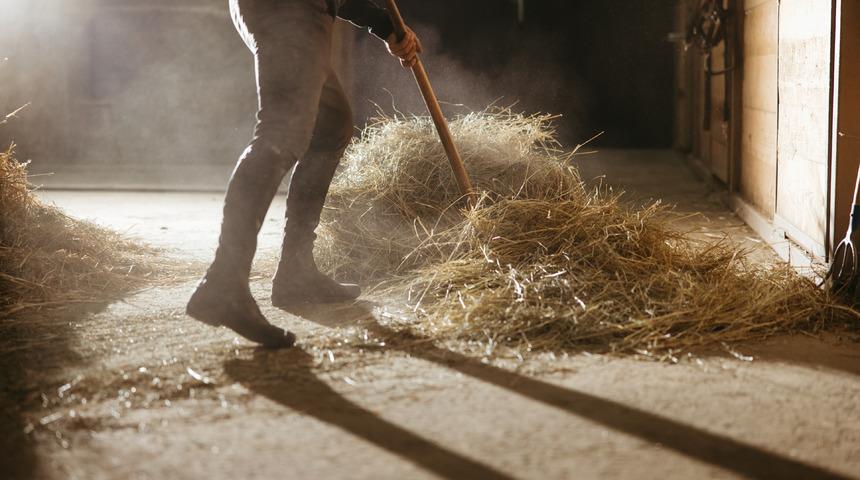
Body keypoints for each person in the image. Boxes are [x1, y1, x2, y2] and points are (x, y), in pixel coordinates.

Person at [186, 0, 422, 348]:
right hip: (288, 9)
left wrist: (383, 23)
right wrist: (382, 22)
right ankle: (224, 282)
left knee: (331, 126)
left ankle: (296, 270)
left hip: (300, 11)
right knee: (281, 133)